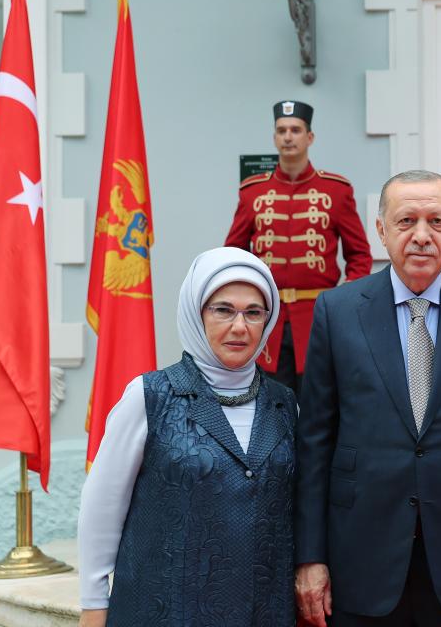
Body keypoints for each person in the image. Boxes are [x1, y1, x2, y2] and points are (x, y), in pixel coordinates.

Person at [294, 170, 441, 627]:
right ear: (381, 229)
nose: (422, 236)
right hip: (361, 554)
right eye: (406, 221)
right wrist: (310, 557)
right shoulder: (338, 311)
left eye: (437, 222)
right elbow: (315, 444)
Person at [77, 247, 295, 626]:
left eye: (253, 312)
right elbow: (102, 506)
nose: (240, 326)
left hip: (263, 612)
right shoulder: (150, 396)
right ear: (197, 313)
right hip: (163, 610)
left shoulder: (285, 404)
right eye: (223, 310)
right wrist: (93, 604)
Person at [225, 99, 373, 394]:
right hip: (267, 319)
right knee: (269, 402)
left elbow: (359, 256)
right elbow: (233, 254)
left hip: (319, 317)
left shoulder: (336, 190)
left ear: (310, 137)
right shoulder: (253, 192)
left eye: (295, 130)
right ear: (274, 138)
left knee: (320, 400)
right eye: (282, 131)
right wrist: (245, 304)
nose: (288, 137)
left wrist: (343, 303)